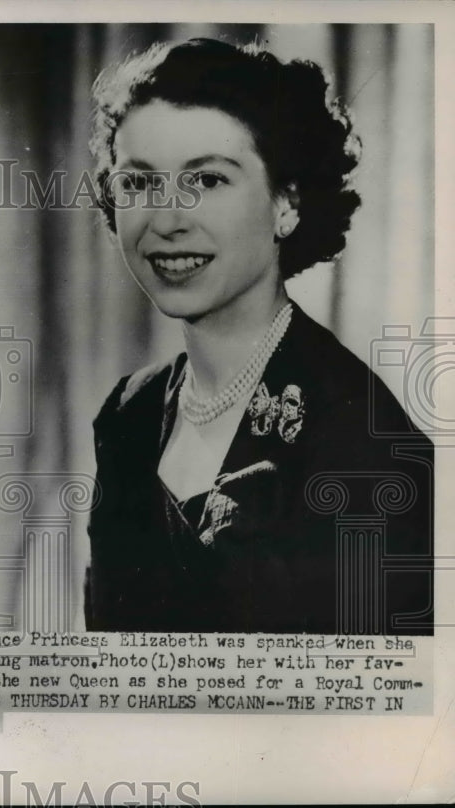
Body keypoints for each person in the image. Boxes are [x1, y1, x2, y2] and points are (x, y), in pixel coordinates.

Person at [84, 38, 433, 635]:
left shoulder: (363, 438)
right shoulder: (128, 416)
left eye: (209, 180)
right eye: (138, 184)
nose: (166, 220)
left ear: (286, 204)